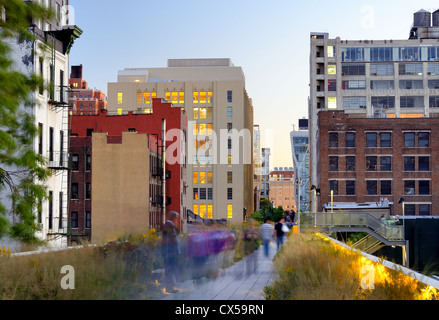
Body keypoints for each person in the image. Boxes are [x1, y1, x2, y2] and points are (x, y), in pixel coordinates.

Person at [161, 211, 180, 293]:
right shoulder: (170, 226)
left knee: (170, 269)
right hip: (170, 252)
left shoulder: (168, 225)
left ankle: (170, 286)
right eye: (176, 218)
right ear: (174, 218)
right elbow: (173, 239)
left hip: (168, 251)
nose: (177, 220)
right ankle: (169, 287)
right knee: (169, 269)